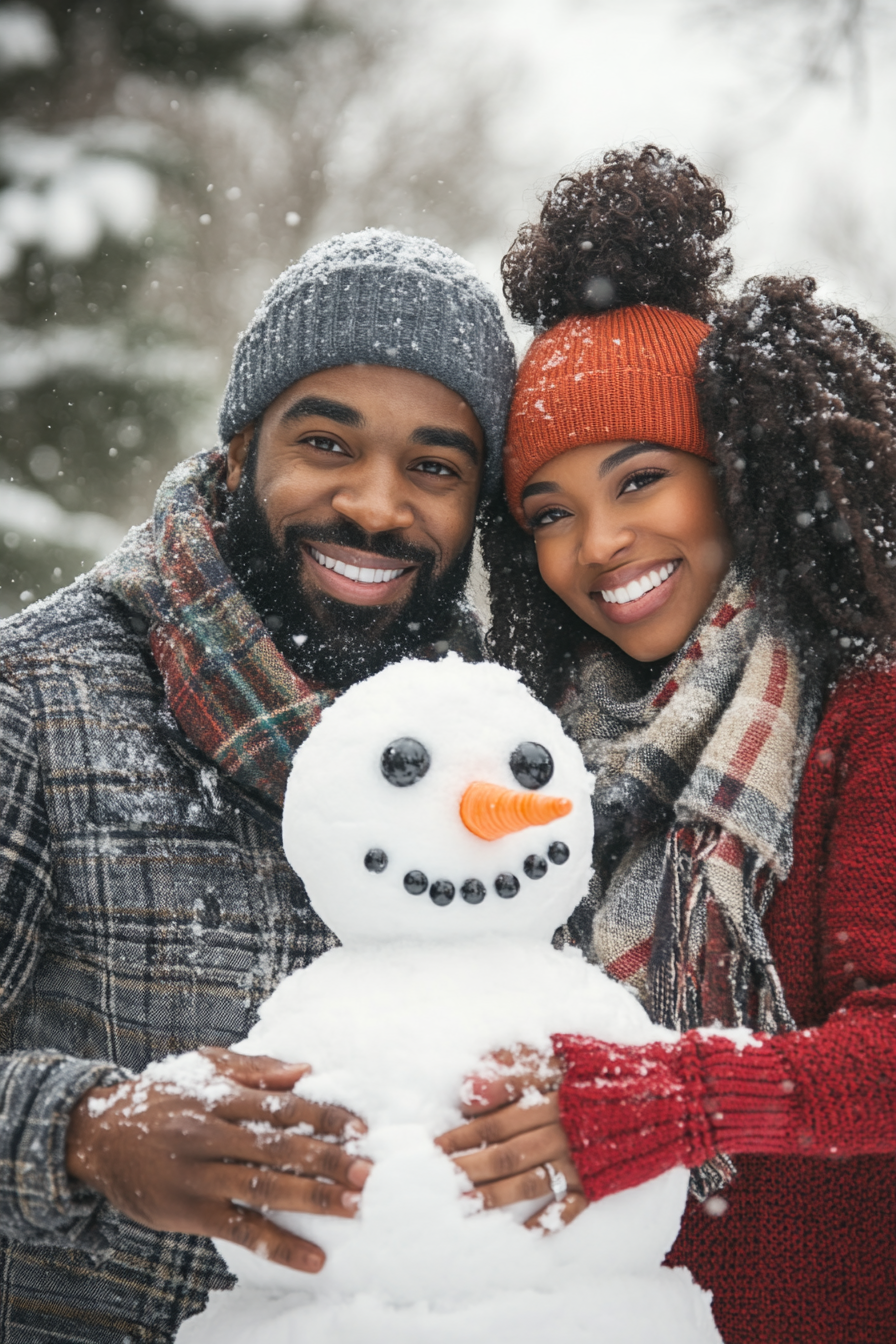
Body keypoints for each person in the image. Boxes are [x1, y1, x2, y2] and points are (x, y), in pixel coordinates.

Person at [0, 228, 515, 1344]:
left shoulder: (493, 751)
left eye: (432, 466)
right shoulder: (38, 697)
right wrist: (84, 1131)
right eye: (327, 443)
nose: (377, 508)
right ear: (238, 453)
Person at [437, 147, 896, 1344]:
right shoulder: (550, 760)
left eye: (639, 479)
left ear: (733, 476)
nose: (596, 544)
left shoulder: (862, 718)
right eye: (549, 512)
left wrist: (674, 1100)